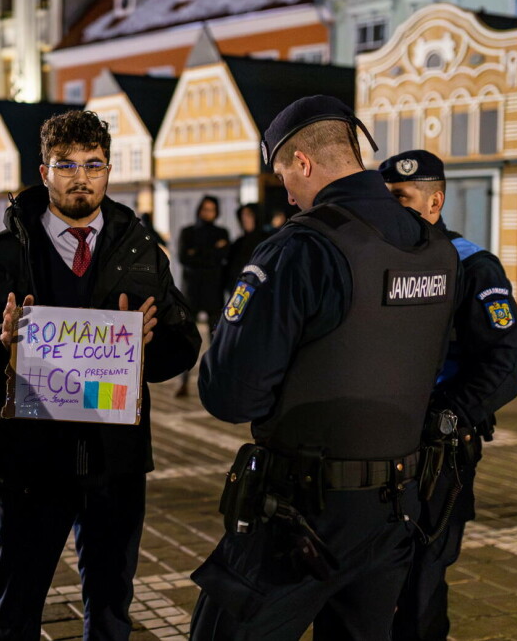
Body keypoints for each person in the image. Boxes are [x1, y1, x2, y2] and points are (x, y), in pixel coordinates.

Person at [190, 95, 460, 640]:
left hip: (301, 514)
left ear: (305, 163)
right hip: (397, 510)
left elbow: (230, 394)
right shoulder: (434, 249)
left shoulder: (300, 248)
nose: (286, 192)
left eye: (284, 174)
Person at [0, 110, 200, 640]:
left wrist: (152, 345)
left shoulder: (141, 252)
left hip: (115, 463)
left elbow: (183, 346)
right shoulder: (1, 254)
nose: (81, 177)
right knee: (18, 606)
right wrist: (2, 340)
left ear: (109, 170)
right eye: (66, 165)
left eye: (93, 164)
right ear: (44, 172)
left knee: (110, 609)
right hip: (27, 464)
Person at [378, 149, 517, 641]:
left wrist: (447, 415)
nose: (391, 209)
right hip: (376, 449)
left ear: (434, 201)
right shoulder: (375, 260)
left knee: (421, 586)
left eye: (402, 198)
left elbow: (506, 360)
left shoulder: (472, 266)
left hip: (436, 456)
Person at [175, 194, 229, 396]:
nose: (208, 213)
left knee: (215, 339)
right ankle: (183, 382)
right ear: (199, 210)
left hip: (214, 293)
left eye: (212, 210)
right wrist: (211, 253)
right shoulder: (187, 232)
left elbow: (222, 257)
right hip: (192, 294)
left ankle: (216, 383)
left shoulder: (221, 232)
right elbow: (183, 258)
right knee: (188, 340)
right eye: (205, 209)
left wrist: (197, 254)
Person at [224, 204, 270, 289]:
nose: (244, 219)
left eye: (249, 215)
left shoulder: (267, 241)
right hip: (239, 291)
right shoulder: (238, 243)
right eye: (242, 215)